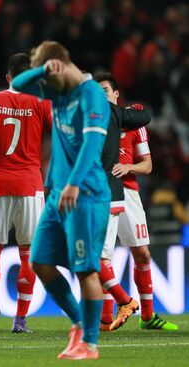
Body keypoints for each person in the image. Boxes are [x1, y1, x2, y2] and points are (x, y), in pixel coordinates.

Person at [12, 41, 111, 360]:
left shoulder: (92, 93)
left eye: (49, 74)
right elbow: (17, 84)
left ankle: (90, 344)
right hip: (59, 194)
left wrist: (74, 184)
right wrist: (43, 70)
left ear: (62, 64)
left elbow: (92, 144)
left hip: (86, 194)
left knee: (86, 271)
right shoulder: (58, 91)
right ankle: (79, 323)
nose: (45, 87)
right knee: (38, 260)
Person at [0, 53, 52, 333]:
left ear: (7, 77)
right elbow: (63, 136)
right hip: (31, 184)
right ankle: (20, 320)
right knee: (29, 253)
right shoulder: (42, 103)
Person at [95, 73, 178, 332]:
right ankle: (107, 318)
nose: (102, 96)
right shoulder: (94, 122)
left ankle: (148, 316)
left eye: (106, 91)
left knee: (142, 253)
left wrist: (127, 166)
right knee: (104, 255)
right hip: (105, 193)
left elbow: (148, 165)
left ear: (116, 94)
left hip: (129, 192)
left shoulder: (132, 122)